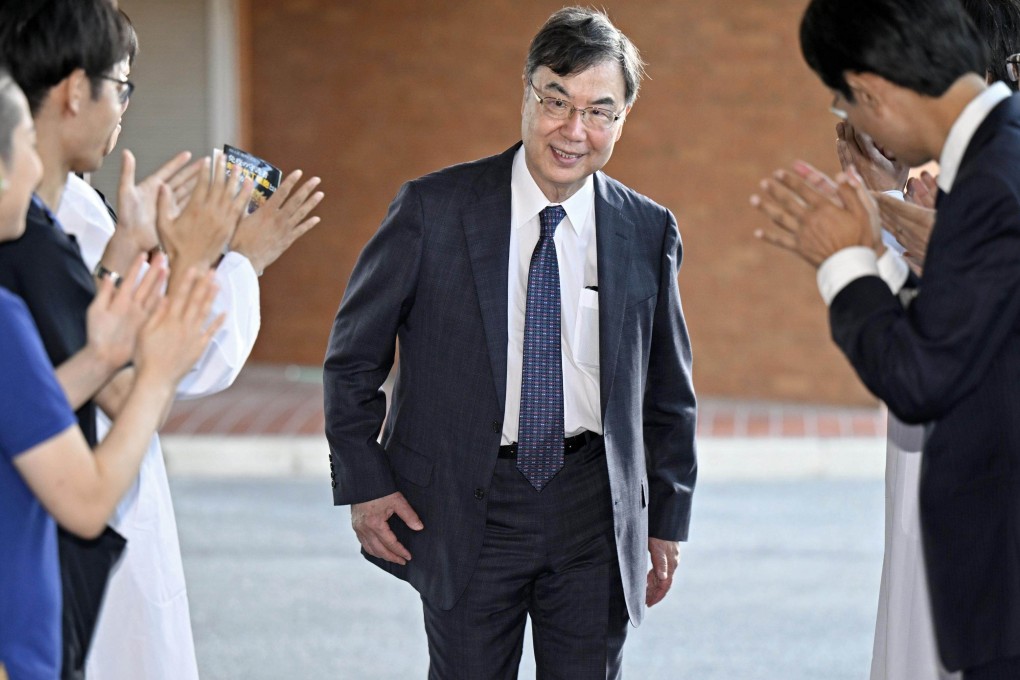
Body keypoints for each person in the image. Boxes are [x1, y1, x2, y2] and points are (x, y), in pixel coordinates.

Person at [324, 7, 697, 678]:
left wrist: (667, 518)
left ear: (622, 121)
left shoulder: (647, 231)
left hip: (592, 509)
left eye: (599, 112)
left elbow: (668, 392)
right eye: (557, 101)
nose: (574, 130)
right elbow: (353, 358)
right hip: (467, 502)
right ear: (526, 93)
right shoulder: (433, 210)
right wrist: (364, 481)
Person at [751, 0, 1020, 677]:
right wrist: (882, 242)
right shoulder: (1000, 152)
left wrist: (845, 262)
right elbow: (966, 329)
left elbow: (921, 378)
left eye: (846, 104)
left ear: (871, 89)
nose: (857, 125)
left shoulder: (991, 181)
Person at [51, 11, 323, 679]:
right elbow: (155, 367)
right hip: (86, 495)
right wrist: (227, 260)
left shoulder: (73, 204)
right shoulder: (49, 219)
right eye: (120, 85)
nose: (123, 108)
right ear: (73, 91)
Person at [0, 1, 255, 675]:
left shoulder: (36, 248)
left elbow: (38, 395)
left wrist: (117, 270)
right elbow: (89, 493)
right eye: (119, 85)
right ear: (71, 93)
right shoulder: (29, 250)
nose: (31, 171)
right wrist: (192, 275)